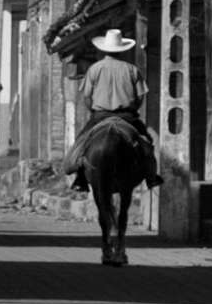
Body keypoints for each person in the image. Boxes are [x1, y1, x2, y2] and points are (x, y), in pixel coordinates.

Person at [66, 28, 160, 193]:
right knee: (147, 143)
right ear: (122, 50)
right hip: (127, 117)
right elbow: (140, 97)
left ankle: (80, 178)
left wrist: (93, 110)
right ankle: (151, 177)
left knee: (81, 144)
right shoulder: (132, 69)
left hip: (100, 116)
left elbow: (87, 97)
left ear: (103, 49)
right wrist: (133, 109)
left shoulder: (94, 69)